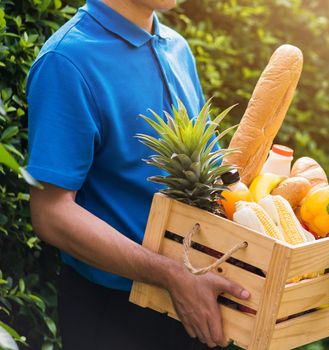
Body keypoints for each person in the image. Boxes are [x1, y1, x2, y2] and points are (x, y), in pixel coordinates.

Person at [26, 0, 250, 349]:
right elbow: (50, 212)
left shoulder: (176, 46)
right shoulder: (66, 60)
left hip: (196, 299)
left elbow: (211, 170)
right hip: (114, 314)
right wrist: (170, 274)